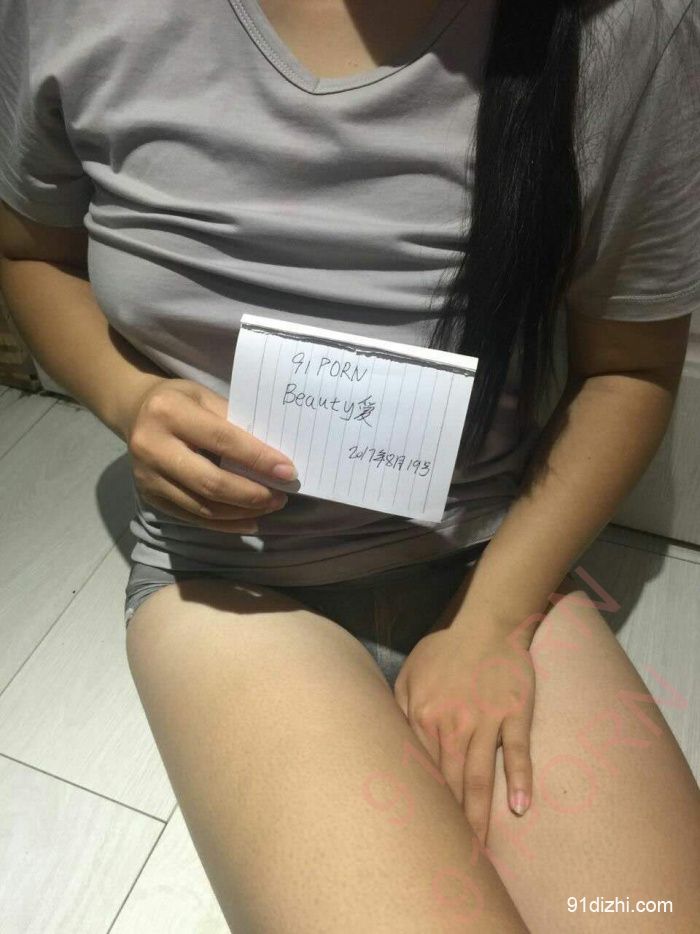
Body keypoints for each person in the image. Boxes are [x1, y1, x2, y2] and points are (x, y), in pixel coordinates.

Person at [1, 0, 698, 929]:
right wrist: (128, 400)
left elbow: (629, 368)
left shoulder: (626, 28)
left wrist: (492, 619)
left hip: (488, 560)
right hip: (230, 576)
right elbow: (30, 251)